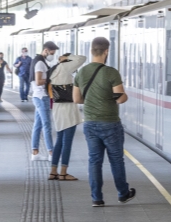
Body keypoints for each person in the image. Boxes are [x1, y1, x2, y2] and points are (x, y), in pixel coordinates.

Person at [74, 36, 136, 207]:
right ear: (106, 51)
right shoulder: (110, 72)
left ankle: (96, 198)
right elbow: (120, 98)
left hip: (90, 123)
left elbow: (77, 99)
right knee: (116, 159)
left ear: (92, 51)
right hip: (110, 123)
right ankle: (123, 194)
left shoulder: (81, 72)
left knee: (94, 160)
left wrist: (93, 99)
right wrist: (121, 96)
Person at [48, 51, 83, 181]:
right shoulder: (65, 67)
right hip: (68, 111)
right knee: (67, 142)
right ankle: (63, 172)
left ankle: (53, 171)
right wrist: (67, 58)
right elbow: (81, 58)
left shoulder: (54, 69)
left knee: (59, 142)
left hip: (57, 110)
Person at [31, 42, 58, 157]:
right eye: (52, 53)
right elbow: (38, 81)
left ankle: (35, 152)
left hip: (38, 96)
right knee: (47, 124)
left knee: (38, 125)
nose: (52, 55)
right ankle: (51, 152)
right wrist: (50, 80)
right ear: (46, 50)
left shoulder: (37, 60)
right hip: (42, 97)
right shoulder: (40, 63)